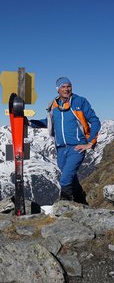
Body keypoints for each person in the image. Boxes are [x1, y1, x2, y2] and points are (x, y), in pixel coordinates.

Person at [29, 76, 101, 204]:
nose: (66, 89)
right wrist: (30, 123)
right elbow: (50, 122)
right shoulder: (54, 105)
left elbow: (95, 121)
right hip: (61, 149)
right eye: (63, 86)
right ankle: (81, 201)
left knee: (65, 179)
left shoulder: (80, 102)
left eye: (69, 86)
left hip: (77, 147)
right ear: (58, 89)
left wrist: (90, 142)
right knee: (71, 178)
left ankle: (65, 206)